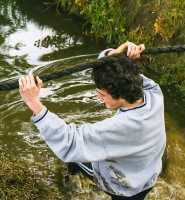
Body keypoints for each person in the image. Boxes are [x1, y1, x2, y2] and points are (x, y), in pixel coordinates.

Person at [19, 42, 166, 200]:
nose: (98, 97)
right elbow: (128, 74)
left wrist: (33, 102)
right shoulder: (154, 93)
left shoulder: (118, 127)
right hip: (147, 178)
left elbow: (70, 141)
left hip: (122, 186)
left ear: (121, 96)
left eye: (101, 94)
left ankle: (72, 183)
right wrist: (115, 55)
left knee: (72, 157)